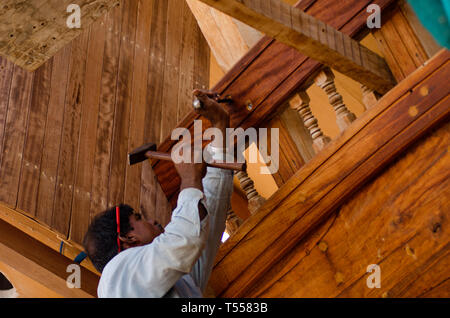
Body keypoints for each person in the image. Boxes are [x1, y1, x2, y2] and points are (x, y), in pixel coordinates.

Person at [83, 90, 234, 297]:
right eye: (139, 219)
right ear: (128, 237)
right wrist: (189, 177)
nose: (153, 221)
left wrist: (220, 124)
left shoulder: (175, 278)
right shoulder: (115, 277)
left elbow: (205, 222)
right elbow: (185, 239)